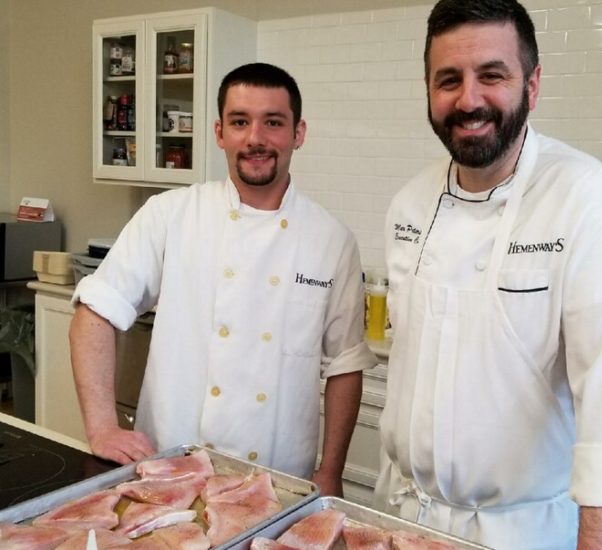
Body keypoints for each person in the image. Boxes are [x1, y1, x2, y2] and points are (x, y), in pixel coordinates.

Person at [372, 1, 602, 548]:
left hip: (521, 533)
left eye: (492, 75)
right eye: (448, 79)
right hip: (403, 519)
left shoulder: (585, 199)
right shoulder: (409, 204)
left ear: (533, 83)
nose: (469, 99)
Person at [69, 62, 376, 497]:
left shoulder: (332, 240)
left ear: (298, 133)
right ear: (219, 133)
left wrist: (331, 471)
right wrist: (101, 427)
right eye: (239, 122)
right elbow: (95, 310)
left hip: (279, 482)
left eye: (273, 122)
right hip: (171, 471)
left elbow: (345, 362)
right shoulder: (170, 214)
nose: (255, 138)